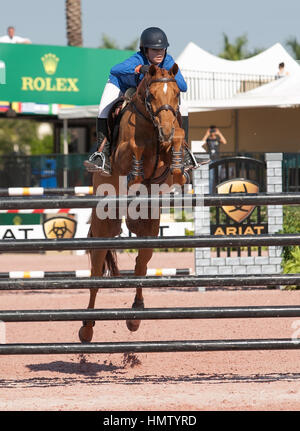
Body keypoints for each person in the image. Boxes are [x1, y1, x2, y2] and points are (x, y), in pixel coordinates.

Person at [85, 26, 197, 176]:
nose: (159, 53)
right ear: (145, 50)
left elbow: (183, 87)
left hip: (146, 92)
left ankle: (184, 151)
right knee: (103, 109)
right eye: (154, 50)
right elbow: (114, 69)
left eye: (162, 49)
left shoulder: (168, 61)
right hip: (121, 85)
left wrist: (170, 75)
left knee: (185, 106)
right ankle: (102, 154)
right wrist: (139, 68)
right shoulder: (137, 59)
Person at [202, 125, 227, 193]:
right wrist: (207, 134)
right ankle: (210, 193)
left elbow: (224, 142)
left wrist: (219, 133)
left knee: (218, 177)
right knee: (211, 178)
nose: (212, 132)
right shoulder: (208, 139)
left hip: (217, 159)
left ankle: (218, 192)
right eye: (211, 131)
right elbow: (202, 143)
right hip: (210, 160)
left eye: (213, 131)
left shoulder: (217, 139)